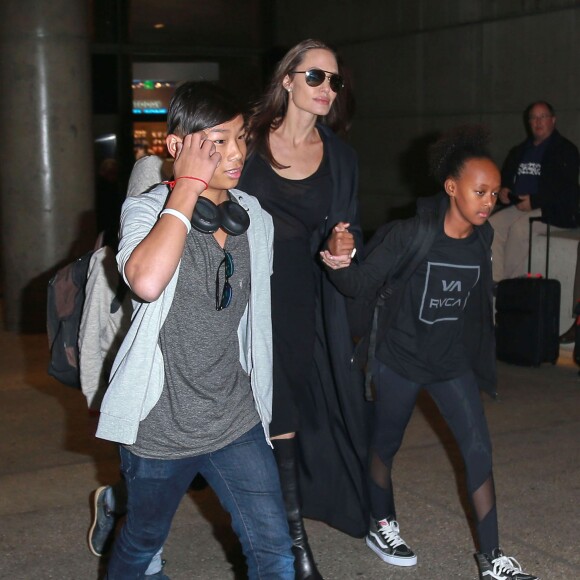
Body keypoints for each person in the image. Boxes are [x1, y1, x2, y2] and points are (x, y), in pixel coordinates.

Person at [320, 126, 540, 580]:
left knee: (478, 450)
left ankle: (492, 557)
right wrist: (338, 259)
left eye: (494, 193)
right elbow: (359, 285)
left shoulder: (481, 242)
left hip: (449, 364)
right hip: (398, 359)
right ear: (451, 187)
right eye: (480, 191)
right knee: (384, 446)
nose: (488, 201)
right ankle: (382, 525)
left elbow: (476, 306)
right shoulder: (410, 234)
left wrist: (480, 355)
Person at [95, 81, 294, 579]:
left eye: (241, 138)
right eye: (217, 142)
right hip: (158, 428)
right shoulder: (145, 211)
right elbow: (146, 281)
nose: (236, 153)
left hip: (234, 417)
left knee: (275, 553)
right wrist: (186, 187)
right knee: (142, 544)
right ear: (179, 147)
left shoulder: (254, 219)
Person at [238, 39, 370, 579]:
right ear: (287, 80)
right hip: (240, 301)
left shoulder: (340, 156)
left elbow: (348, 226)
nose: (326, 90)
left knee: (284, 416)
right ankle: (133, 506)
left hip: (301, 305)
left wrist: (344, 248)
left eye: (335, 81)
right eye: (315, 76)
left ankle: (291, 542)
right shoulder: (243, 141)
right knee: (214, 425)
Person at [490, 100, 580, 282]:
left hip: (553, 210)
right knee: (491, 225)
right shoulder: (519, 151)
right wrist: (504, 192)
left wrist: (536, 201)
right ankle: (496, 282)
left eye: (543, 117)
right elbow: (505, 179)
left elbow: (567, 189)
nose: (538, 122)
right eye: (533, 118)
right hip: (519, 205)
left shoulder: (565, 150)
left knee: (519, 230)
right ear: (528, 122)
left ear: (553, 120)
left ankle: (509, 284)